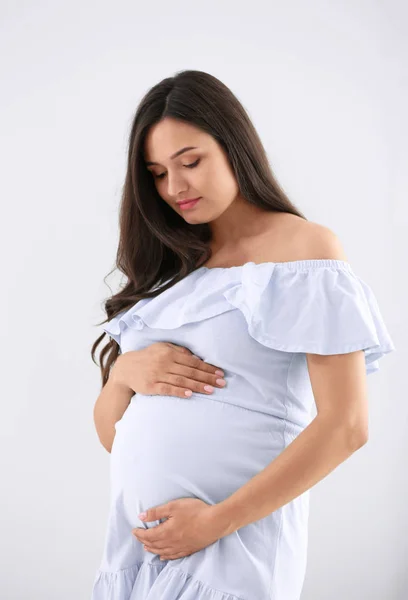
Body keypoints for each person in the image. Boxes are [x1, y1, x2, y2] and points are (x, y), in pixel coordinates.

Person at [90, 69, 395, 600]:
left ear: (234, 147)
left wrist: (215, 522)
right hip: (141, 549)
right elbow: (115, 438)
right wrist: (122, 376)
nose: (175, 187)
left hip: (234, 546)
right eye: (157, 173)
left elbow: (346, 426)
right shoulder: (174, 270)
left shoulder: (306, 251)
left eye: (191, 162)